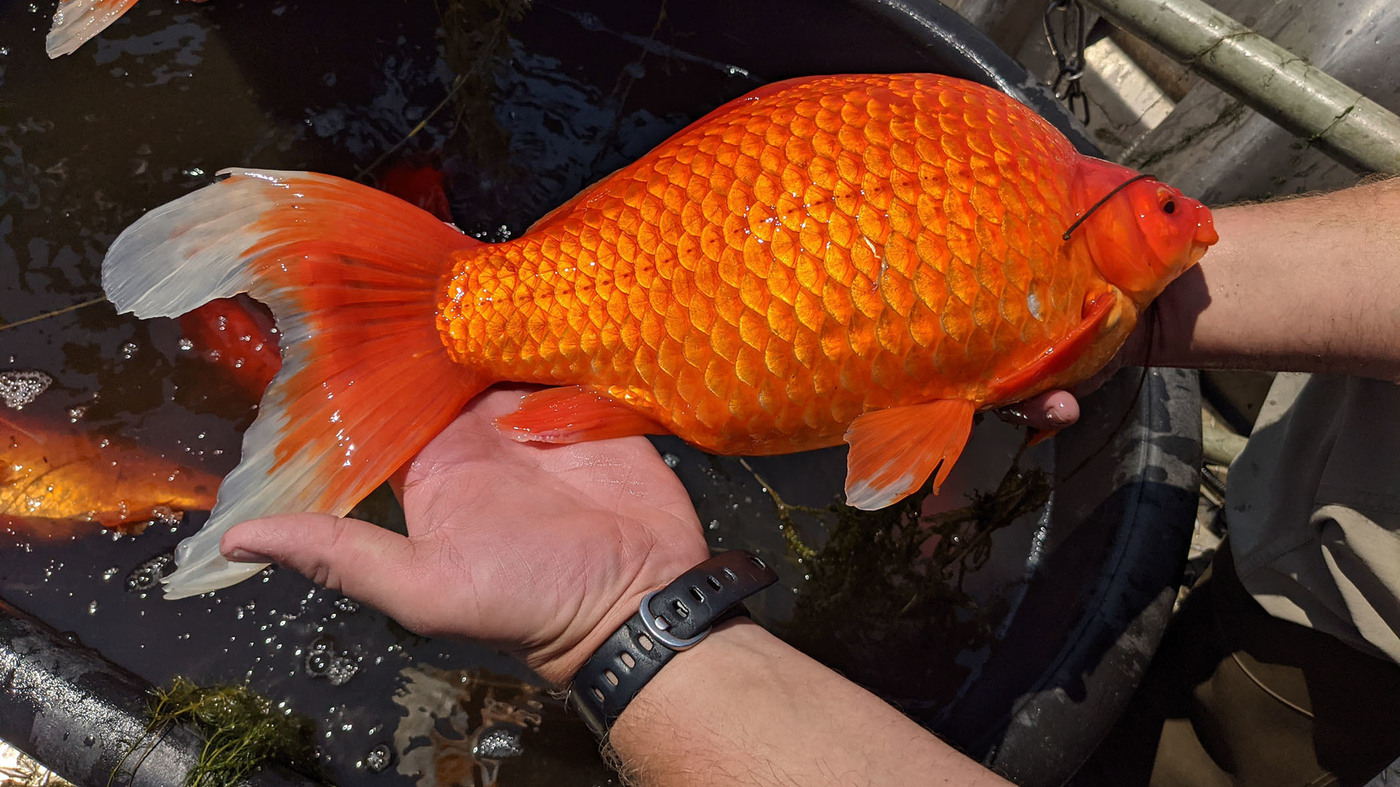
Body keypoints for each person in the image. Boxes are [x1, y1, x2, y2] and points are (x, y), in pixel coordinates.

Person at [218, 176, 1400, 785]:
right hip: (1324, 586)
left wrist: (612, 620)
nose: (1190, 225)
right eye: (1155, 208)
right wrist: (1060, 310)